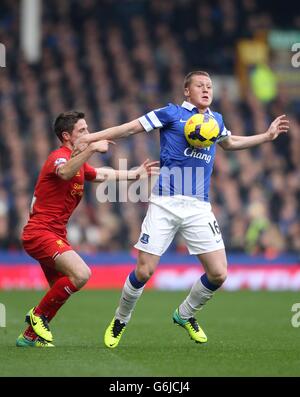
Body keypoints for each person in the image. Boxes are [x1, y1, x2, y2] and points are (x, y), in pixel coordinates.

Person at [74, 71, 289, 348]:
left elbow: (230, 143)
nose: (206, 89)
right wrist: (91, 138)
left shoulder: (216, 120)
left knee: (219, 273)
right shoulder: (170, 114)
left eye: (210, 85)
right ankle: (121, 319)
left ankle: (185, 314)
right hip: (165, 202)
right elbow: (130, 127)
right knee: (144, 271)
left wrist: (266, 136)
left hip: (198, 206)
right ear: (187, 91)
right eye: (200, 85)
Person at [16, 110, 159, 347]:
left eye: (88, 129)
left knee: (59, 290)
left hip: (54, 234)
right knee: (81, 274)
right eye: (82, 131)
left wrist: (133, 174)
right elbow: (64, 172)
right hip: (40, 233)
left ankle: (30, 336)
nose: (89, 134)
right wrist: (92, 149)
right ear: (66, 136)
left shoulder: (78, 163)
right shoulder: (59, 157)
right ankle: (37, 316)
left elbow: (101, 173)